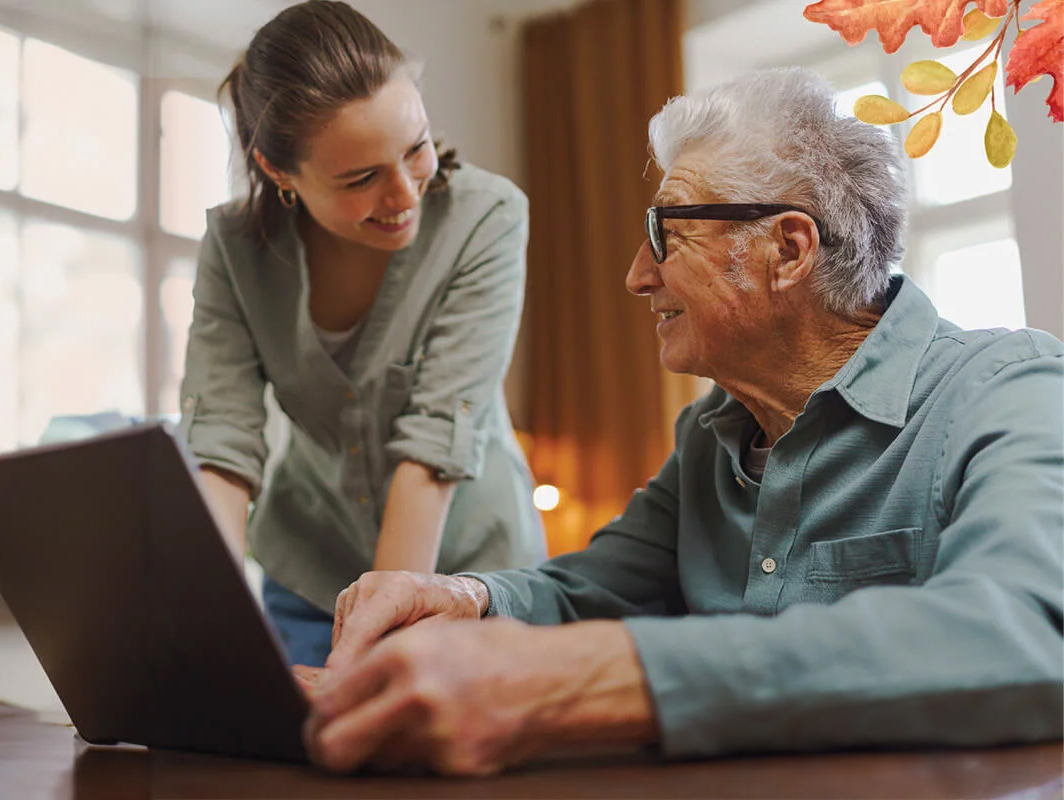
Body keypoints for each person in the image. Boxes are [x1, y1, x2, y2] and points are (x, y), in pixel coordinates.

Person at [302, 67, 1064, 775]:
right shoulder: (708, 435)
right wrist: (466, 598)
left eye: (666, 230)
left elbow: (1025, 636)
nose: (636, 274)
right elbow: (588, 594)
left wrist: (594, 682)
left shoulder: (1007, 391)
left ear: (787, 249)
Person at [176, 0, 546, 669]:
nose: (404, 193)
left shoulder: (484, 217)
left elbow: (436, 442)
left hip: (473, 581)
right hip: (310, 576)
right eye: (361, 178)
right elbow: (223, 446)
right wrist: (203, 620)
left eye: (416, 149)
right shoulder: (235, 249)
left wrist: (373, 650)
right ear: (278, 172)